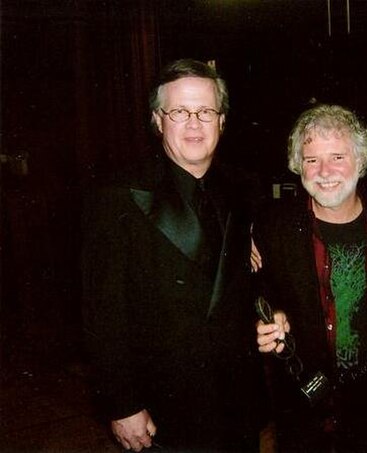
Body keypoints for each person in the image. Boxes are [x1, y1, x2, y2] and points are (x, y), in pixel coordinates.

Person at [82, 59, 266, 451]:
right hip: (164, 408)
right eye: (180, 112)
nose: (195, 123)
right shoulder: (117, 196)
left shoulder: (244, 189)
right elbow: (102, 311)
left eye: (205, 111)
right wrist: (122, 404)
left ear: (222, 120)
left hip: (236, 403)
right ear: (157, 120)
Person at [254, 104, 367, 451]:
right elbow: (256, 294)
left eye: (338, 157)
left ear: (361, 160)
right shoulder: (274, 226)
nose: (324, 171)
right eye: (312, 160)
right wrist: (269, 317)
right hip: (304, 405)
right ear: (299, 167)